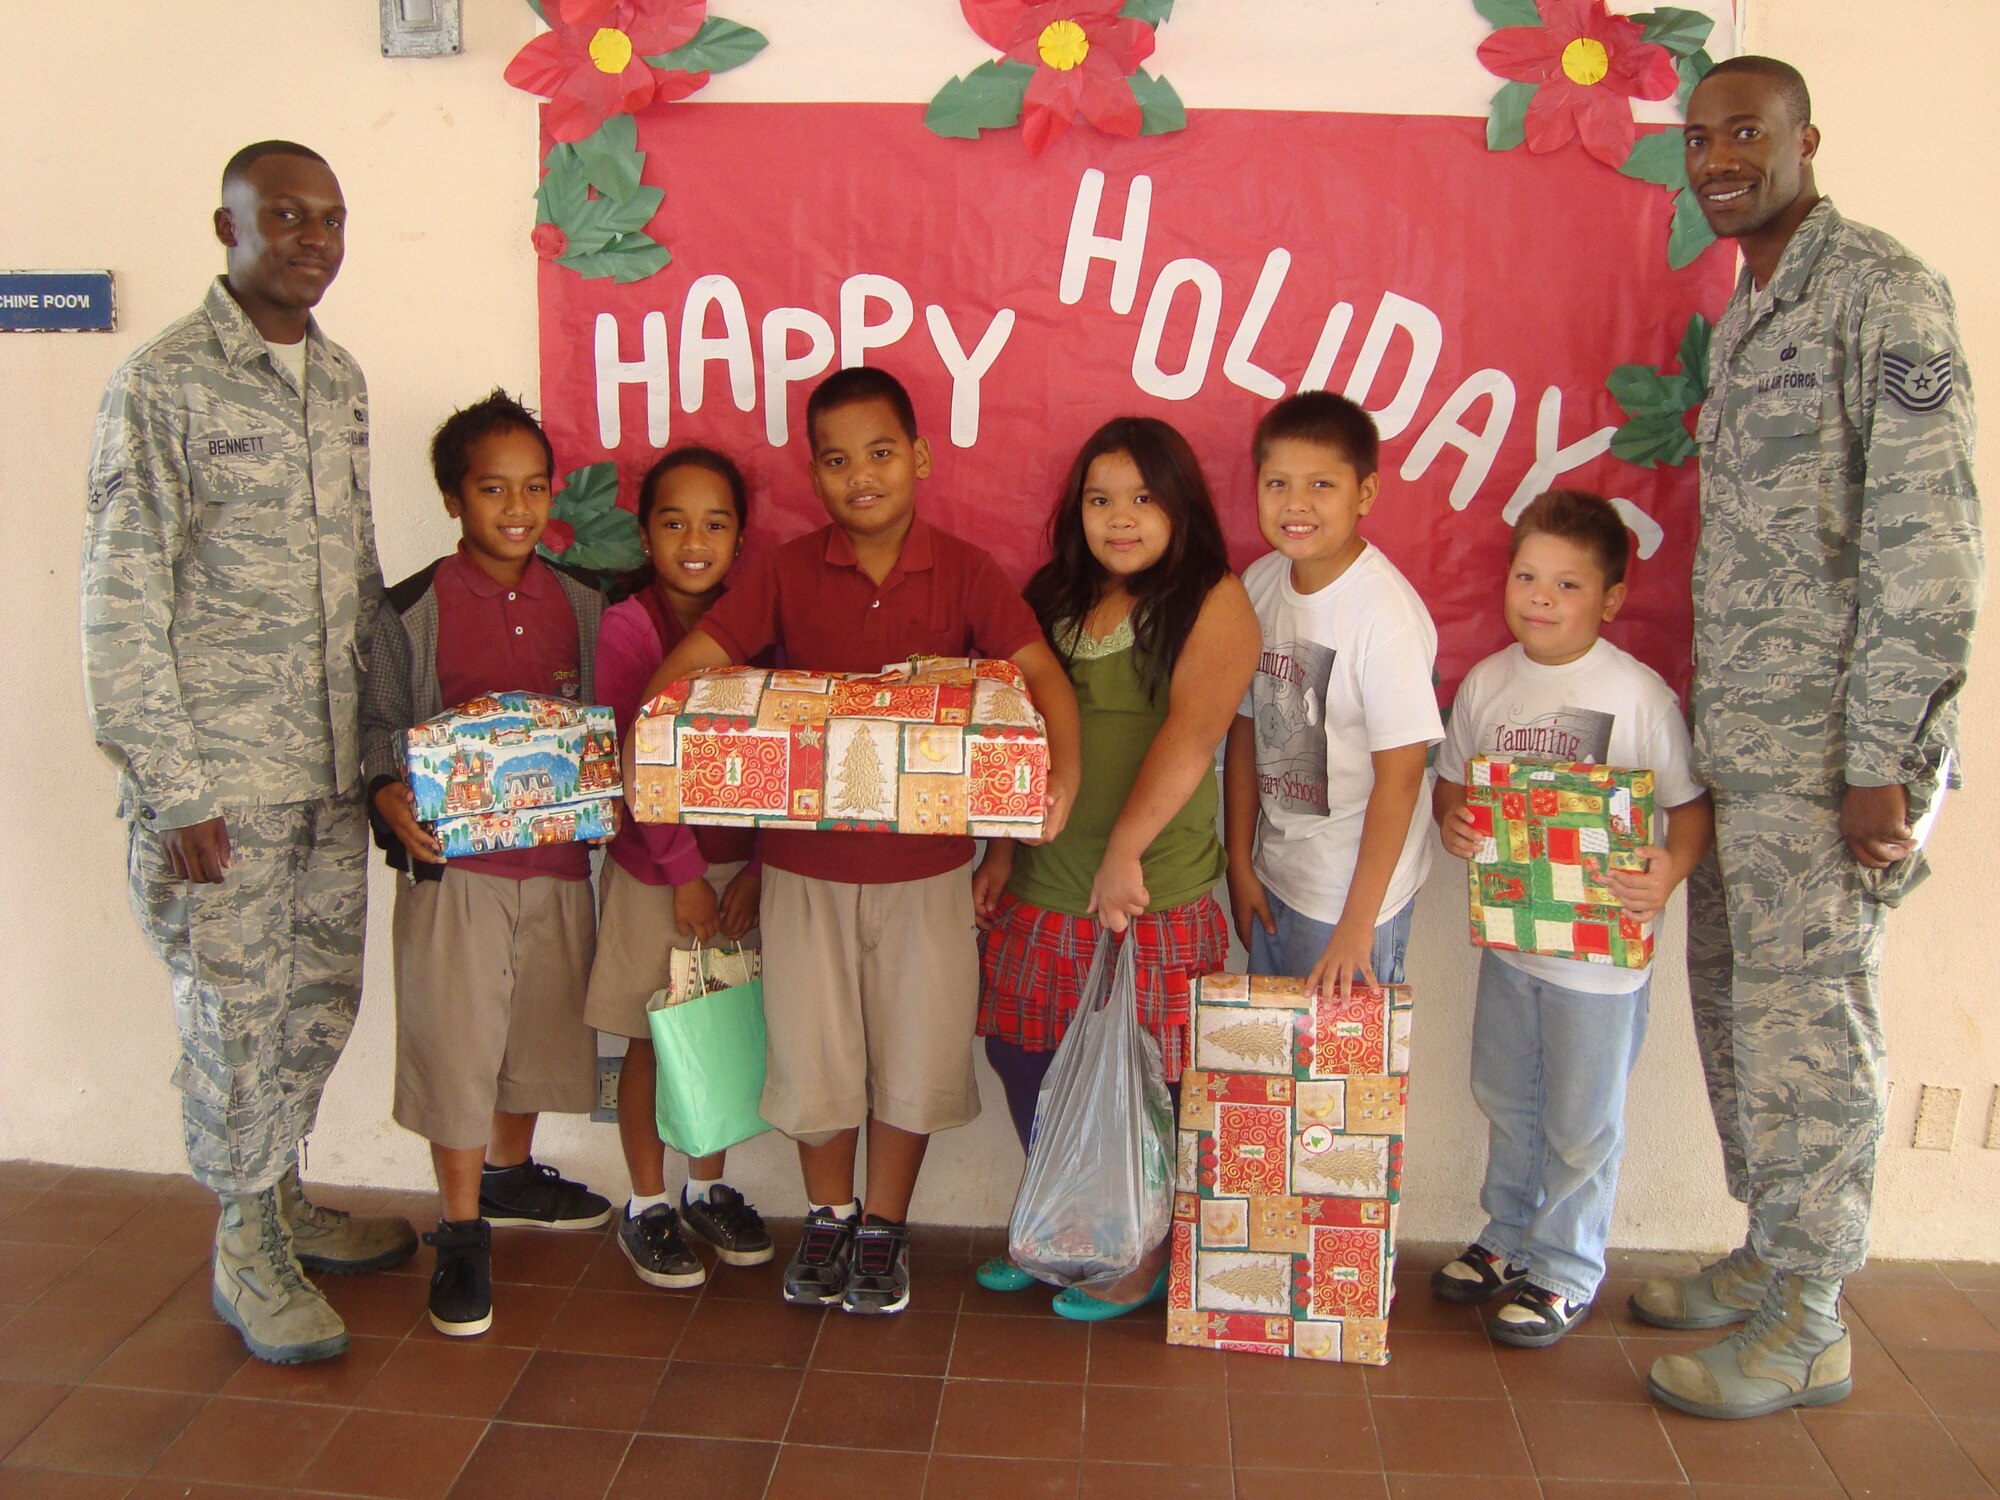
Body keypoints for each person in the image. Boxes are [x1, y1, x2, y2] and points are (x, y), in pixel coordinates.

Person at [1631, 56, 1982, 1418]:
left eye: (1746, 134)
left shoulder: (1880, 295)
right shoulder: (1753, 306)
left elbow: (1930, 552)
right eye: (1701, 137)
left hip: (1838, 761)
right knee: (1747, 1015)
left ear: (1804, 140)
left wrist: (1882, 762)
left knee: (1815, 1030)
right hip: (1748, 753)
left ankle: (1815, 1319)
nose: (1720, 157)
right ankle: (1773, 1253)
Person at [639, 366, 1082, 1315]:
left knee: (917, 1055)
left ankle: (885, 1228)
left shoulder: (965, 570)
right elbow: (702, 662)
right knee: (816, 1056)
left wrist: (1055, 789)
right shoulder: (785, 572)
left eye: (881, 453)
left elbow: (1041, 681)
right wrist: (653, 723)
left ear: (919, 457)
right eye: (836, 461)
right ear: (814, 475)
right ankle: (830, 1217)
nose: (861, 477)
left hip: (929, 876)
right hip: (801, 872)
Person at [81, 140, 416, 1367]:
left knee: (316, 1010)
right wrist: (174, 788)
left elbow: (364, 584)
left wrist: (378, 750)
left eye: (331, 217)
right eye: (283, 215)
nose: (312, 238)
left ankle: (281, 1198)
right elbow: (119, 602)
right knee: (233, 1023)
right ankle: (242, 1245)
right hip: (221, 786)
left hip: (327, 777)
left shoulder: (340, 384)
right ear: (223, 223)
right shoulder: (161, 385)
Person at [971, 417, 1260, 1318]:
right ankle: (1064, 1226)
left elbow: (1194, 732)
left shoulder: (1215, 599)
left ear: (1182, 508)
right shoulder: (1051, 595)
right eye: (1101, 500)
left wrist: (1127, 851)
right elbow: (1020, 735)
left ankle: (1139, 1253)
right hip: (1041, 891)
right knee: (1026, 1061)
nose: (1121, 519)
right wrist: (999, 850)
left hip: (1147, 898)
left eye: (1143, 499)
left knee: (1148, 1087)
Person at [1430, 490, 1712, 1347]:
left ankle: (1568, 1266)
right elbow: (1454, 782)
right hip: (1514, 947)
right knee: (1506, 1097)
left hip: (1600, 964)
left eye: (1566, 585)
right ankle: (1508, 1237)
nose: (1541, 599)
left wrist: (1669, 870)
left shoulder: (1639, 696)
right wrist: (1456, 819)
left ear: (1611, 599)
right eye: (1526, 578)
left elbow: (1690, 811)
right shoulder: (1489, 682)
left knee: (1583, 1122)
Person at [362, 391, 616, 1338]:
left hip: (555, 869)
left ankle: (509, 1177)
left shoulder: (585, 601)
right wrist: (388, 790)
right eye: (492, 489)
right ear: (453, 499)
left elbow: (606, 721)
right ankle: (461, 1230)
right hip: (456, 877)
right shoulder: (412, 608)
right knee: (460, 1045)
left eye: (535, 487)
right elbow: (377, 723)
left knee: (537, 1040)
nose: (518, 507)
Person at [584, 447, 772, 1290]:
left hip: (739, 874)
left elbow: (788, 753)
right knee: (652, 1038)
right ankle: (646, 1203)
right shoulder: (631, 628)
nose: (695, 540)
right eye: (673, 522)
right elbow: (636, 763)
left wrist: (759, 866)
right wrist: (686, 872)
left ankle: (707, 1186)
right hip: (657, 873)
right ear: (644, 533)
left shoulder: (762, 623)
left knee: (718, 1031)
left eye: (716, 523)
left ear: (741, 537)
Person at [1224, 391, 1443, 997]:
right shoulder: (1261, 583)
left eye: (1322, 485)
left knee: (1343, 1084)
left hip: (1352, 903)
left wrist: (1357, 925)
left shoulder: (1384, 615)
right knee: (1273, 1081)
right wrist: (1239, 862)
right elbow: (1245, 726)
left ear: (1364, 494)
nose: (1296, 504)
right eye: (1277, 484)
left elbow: (1401, 778)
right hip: (1277, 879)